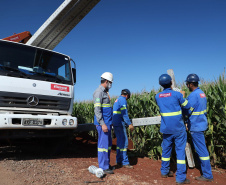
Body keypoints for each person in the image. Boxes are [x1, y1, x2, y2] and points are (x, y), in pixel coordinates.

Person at [155, 74, 191, 184]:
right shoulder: (177, 95)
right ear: (171, 83)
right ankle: (180, 178)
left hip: (166, 128)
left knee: (166, 150)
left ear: (160, 84)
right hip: (178, 128)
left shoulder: (157, 96)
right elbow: (187, 105)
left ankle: (164, 172)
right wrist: (183, 96)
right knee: (180, 152)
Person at [184, 74, 214, 182]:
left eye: (187, 84)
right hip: (201, 124)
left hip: (196, 126)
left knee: (201, 150)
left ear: (191, 84)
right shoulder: (202, 93)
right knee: (201, 148)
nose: (187, 85)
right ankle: (204, 170)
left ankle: (207, 175)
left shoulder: (193, 95)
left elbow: (187, 110)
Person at [93, 72, 114, 174]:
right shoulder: (99, 92)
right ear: (106, 81)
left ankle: (107, 164)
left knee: (108, 145)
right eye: (110, 82)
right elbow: (97, 110)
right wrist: (102, 124)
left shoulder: (105, 92)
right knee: (103, 146)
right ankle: (103, 167)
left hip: (108, 123)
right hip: (103, 124)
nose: (111, 84)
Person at [112, 89, 134, 169]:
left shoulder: (117, 100)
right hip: (120, 123)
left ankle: (118, 161)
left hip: (115, 123)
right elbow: (124, 113)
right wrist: (129, 124)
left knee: (119, 143)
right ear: (127, 95)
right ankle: (125, 162)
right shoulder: (123, 100)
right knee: (124, 142)